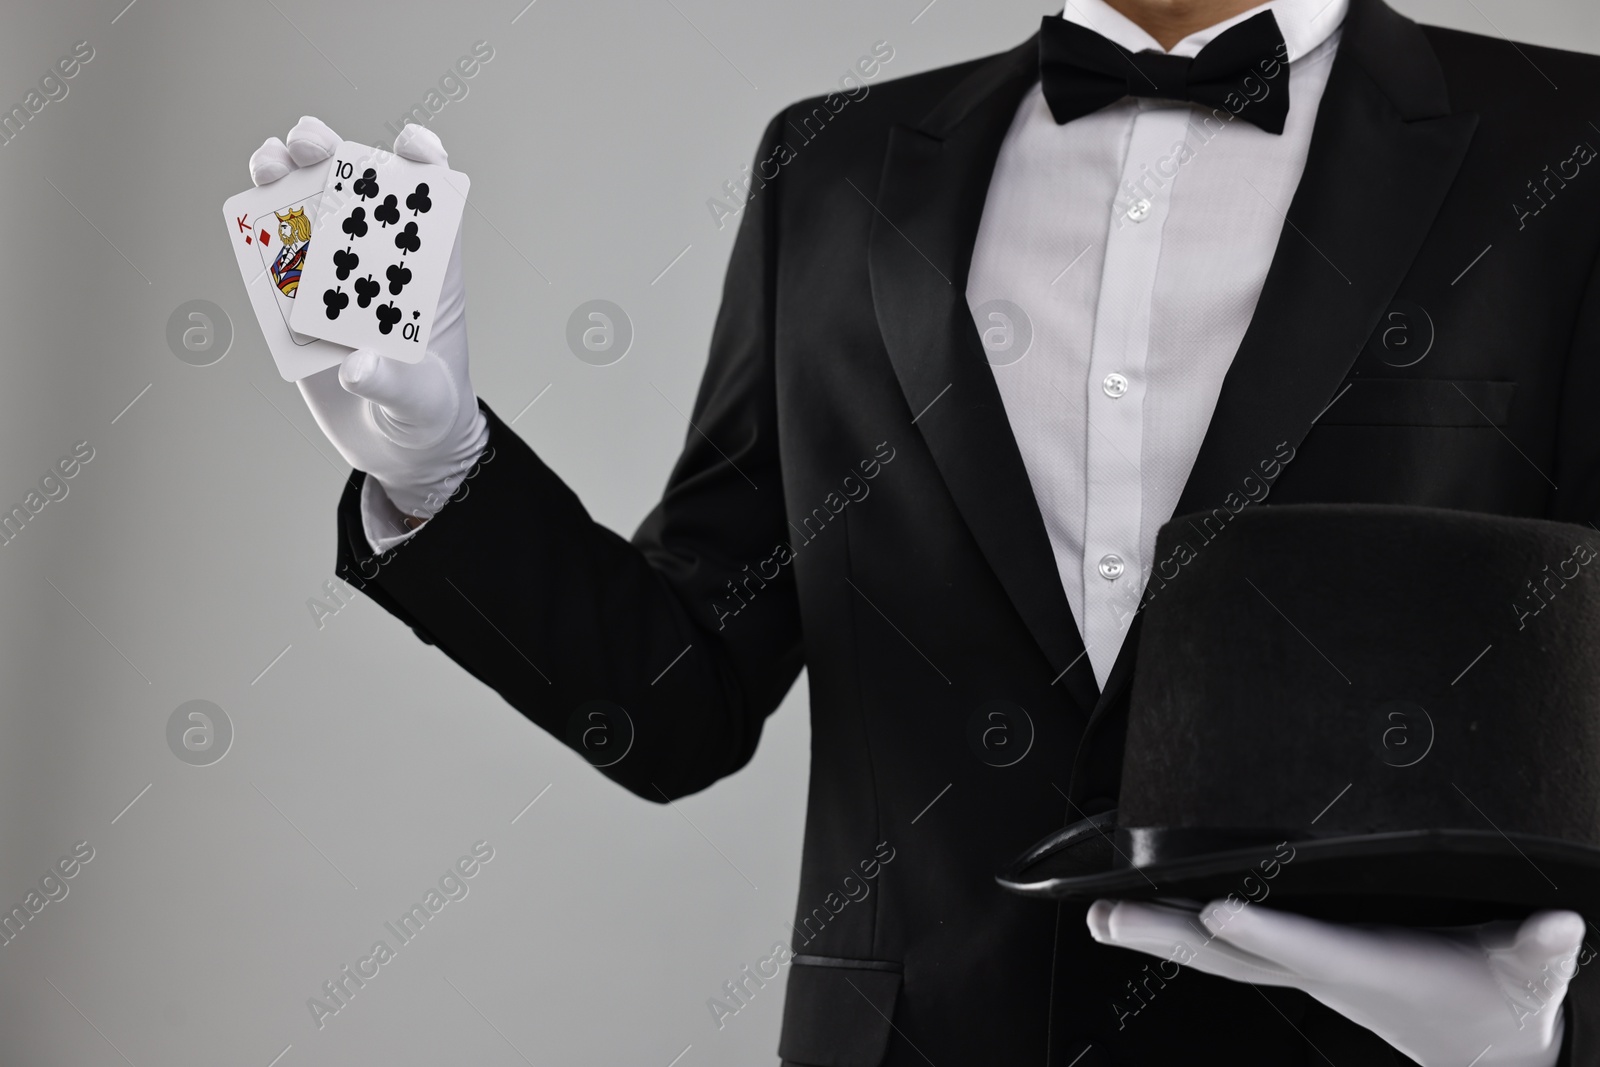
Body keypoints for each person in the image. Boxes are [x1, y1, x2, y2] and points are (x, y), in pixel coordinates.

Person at [249, 0, 1600, 1062]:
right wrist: (441, 465)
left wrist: (1551, 1032)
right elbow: (680, 701)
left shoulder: (1564, 146)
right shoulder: (832, 165)